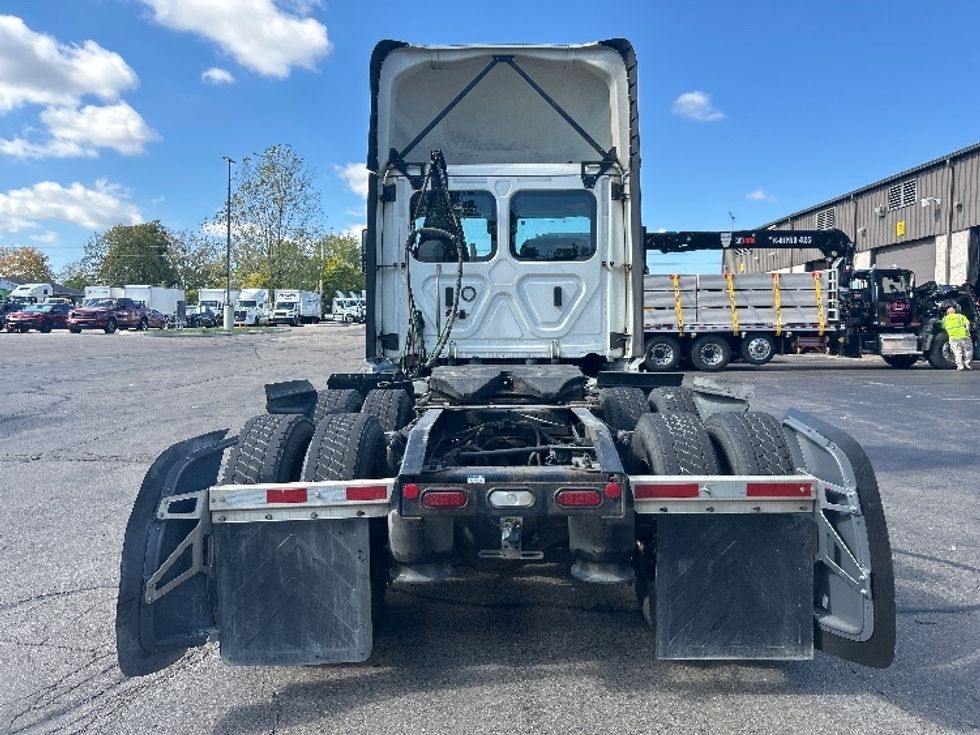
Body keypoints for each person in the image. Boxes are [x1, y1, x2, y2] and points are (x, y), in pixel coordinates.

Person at [941, 306, 973, 370]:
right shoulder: (959, 316)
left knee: (957, 352)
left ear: (947, 312)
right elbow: (967, 323)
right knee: (968, 350)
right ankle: (967, 363)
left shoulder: (944, 319)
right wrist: (967, 331)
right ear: (955, 311)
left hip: (953, 338)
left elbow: (943, 327)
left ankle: (960, 366)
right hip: (963, 336)